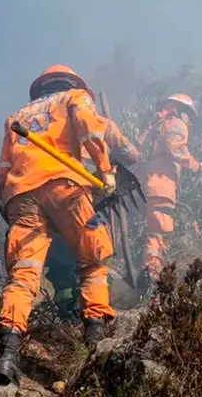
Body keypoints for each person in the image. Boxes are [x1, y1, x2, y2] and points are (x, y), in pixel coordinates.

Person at [0, 64, 118, 386]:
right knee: (92, 261)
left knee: (22, 277)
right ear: (71, 82)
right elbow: (90, 130)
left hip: (21, 196)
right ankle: (95, 341)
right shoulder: (75, 97)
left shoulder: (16, 118)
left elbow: (4, 167)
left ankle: (7, 355)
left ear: (41, 87)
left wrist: (7, 205)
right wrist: (106, 171)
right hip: (67, 186)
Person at [46, 117, 142, 319]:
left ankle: (68, 306)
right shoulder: (100, 122)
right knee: (91, 251)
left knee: (60, 247)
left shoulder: (45, 125)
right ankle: (92, 310)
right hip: (87, 194)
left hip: (51, 193)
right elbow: (130, 155)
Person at [137, 94, 202, 288]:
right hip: (161, 187)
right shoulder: (175, 123)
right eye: (190, 116)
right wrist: (198, 166)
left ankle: (151, 275)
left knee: (157, 233)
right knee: (158, 235)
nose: (190, 122)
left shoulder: (156, 126)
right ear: (181, 110)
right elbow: (177, 149)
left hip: (149, 185)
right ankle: (151, 279)